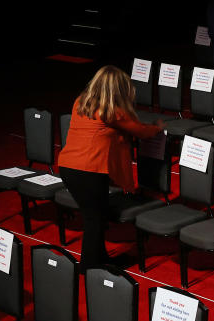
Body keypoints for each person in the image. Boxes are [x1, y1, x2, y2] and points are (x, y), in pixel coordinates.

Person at [58, 65, 163, 269]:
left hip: (69, 167)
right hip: (89, 171)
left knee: (96, 214)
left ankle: (101, 259)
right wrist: (158, 127)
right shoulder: (111, 111)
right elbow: (141, 132)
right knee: (93, 219)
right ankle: (88, 266)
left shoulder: (80, 102)